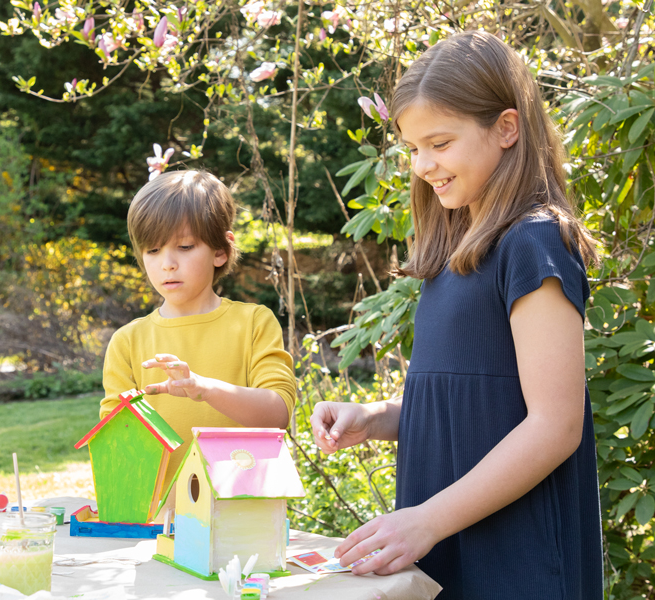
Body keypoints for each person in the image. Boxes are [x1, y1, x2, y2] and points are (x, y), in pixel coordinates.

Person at [309, 31, 603, 599]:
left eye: (439, 143)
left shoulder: (535, 243)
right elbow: (473, 398)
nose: (423, 165)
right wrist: (378, 418)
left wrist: (427, 520)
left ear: (507, 128)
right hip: (449, 545)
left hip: (518, 557)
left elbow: (555, 425)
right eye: (413, 149)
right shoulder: (457, 250)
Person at [101, 169, 296, 495]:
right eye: (153, 251)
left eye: (185, 246)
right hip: (158, 523)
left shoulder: (253, 323)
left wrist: (203, 388)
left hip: (240, 518)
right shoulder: (127, 342)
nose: (167, 264)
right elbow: (115, 443)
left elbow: (277, 414)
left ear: (221, 250)